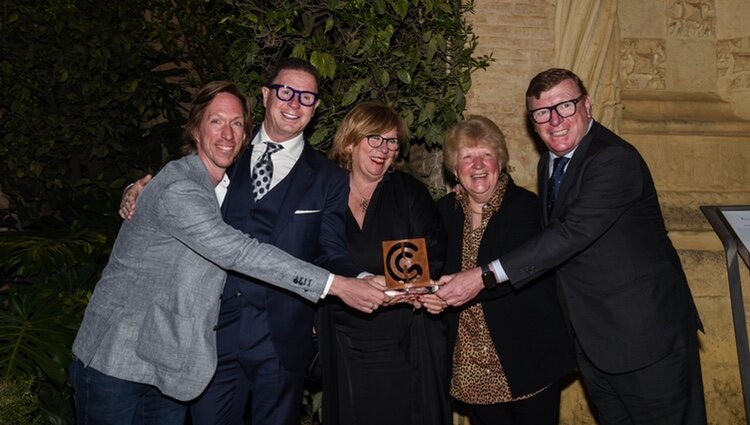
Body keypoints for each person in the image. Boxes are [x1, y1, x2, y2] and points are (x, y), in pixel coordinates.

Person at [70, 81, 386, 424]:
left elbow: (324, 245)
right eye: (216, 121)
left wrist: (361, 278)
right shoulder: (181, 185)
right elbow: (238, 251)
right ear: (195, 128)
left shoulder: (223, 178)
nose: (228, 133)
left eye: (236, 124)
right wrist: (337, 286)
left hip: (174, 363)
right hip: (120, 357)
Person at [437, 68, 707, 425]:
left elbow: (568, 235)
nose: (555, 120)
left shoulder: (613, 159)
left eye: (565, 106)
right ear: (532, 122)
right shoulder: (550, 164)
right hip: (594, 343)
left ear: (588, 105)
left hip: (645, 339)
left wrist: (484, 275)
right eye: (542, 113)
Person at [418, 115, 574, 425]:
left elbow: (525, 270)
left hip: (528, 358)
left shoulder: (528, 209)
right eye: (467, 156)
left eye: (486, 155)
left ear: (499, 163)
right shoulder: (442, 213)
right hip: (471, 364)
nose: (477, 165)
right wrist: (434, 295)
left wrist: (464, 288)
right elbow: (434, 271)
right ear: (453, 169)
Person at [318, 101, 451, 425]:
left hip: (403, 337)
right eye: (374, 138)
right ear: (350, 142)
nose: (384, 148)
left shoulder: (408, 193)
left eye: (391, 141)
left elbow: (430, 254)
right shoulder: (323, 193)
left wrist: (401, 288)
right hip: (343, 337)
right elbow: (314, 254)